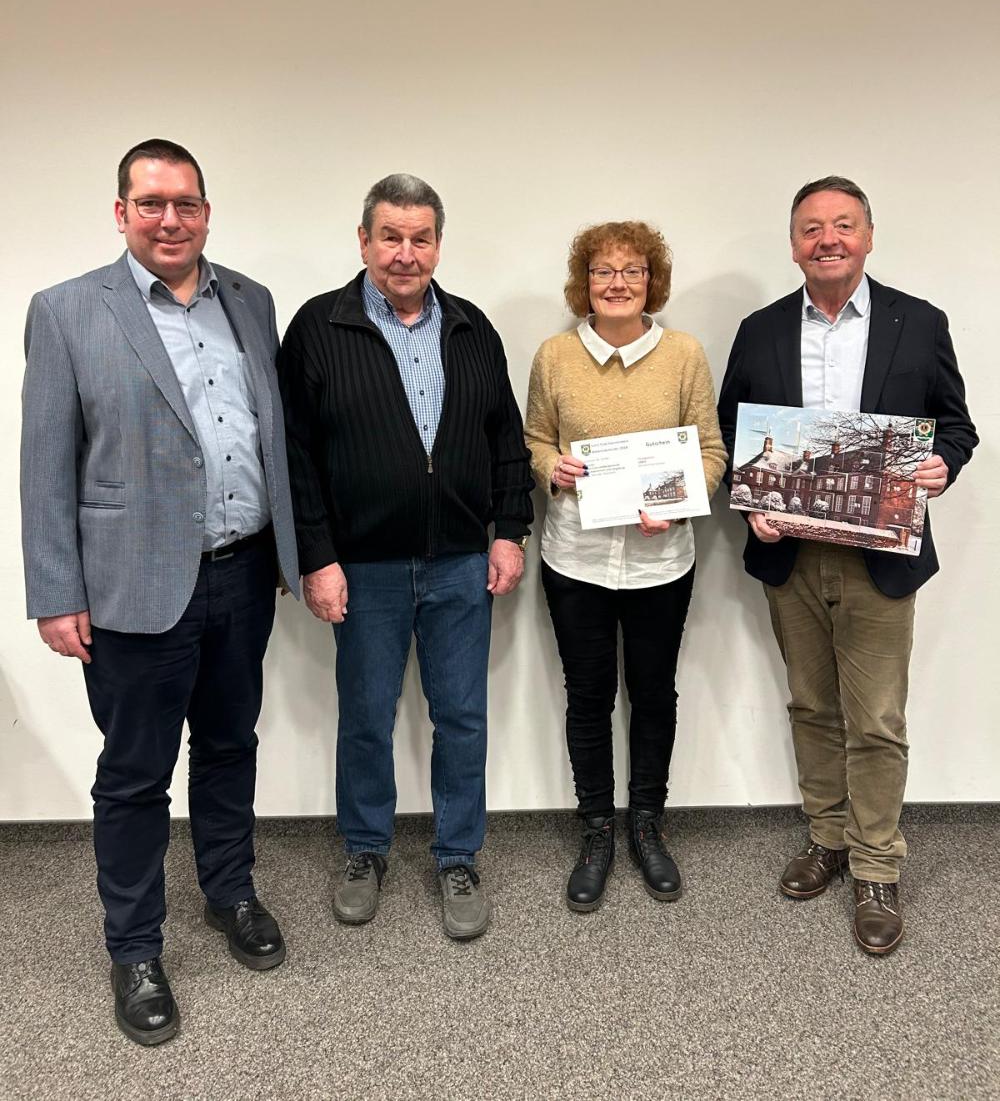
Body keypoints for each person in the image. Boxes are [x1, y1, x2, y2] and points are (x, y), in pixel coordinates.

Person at [20, 139, 299, 1046]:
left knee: (229, 744)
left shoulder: (251, 300)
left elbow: (270, 433)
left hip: (243, 571)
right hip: (132, 586)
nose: (170, 219)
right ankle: (135, 947)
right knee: (135, 774)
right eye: (151, 203)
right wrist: (55, 591)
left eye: (185, 203)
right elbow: (44, 463)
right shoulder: (66, 310)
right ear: (121, 213)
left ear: (207, 212)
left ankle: (230, 890)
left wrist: (291, 551)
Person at [717, 174, 977, 956]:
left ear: (867, 235)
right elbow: (731, 435)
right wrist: (750, 500)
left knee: (877, 719)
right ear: (794, 243)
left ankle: (876, 865)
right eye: (811, 227)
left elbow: (957, 427)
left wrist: (941, 464)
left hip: (880, 557)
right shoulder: (760, 329)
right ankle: (826, 836)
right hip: (792, 553)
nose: (827, 238)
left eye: (842, 224)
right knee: (810, 705)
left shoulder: (918, 322)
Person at [278, 173, 533, 940]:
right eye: (390, 236)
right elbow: (294, 457)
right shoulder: (319, 327)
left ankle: (457, 855)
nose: (405, 252)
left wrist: (509, 530)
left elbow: (506, 439)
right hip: (364, 568)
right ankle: (365, 849)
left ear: (438, 246)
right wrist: (316, 556)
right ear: (363, 241)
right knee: (366, 716)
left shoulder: (471, 328)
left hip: (460, 563)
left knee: (461, 717)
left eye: (420, 238)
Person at [524, 221, 727, 911]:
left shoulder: (684, 354)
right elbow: (535, 438)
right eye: (603, 271)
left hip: (659, 561)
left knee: (653, 693)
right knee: (587, 697)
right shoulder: (555, 355)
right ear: (584, 283)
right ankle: (596, 830)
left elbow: (711, 451)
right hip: (575, 557)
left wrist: (680, 502)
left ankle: (646, 823)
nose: (617, 283)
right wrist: (553, 467)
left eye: (632, 270)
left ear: (652, 281)